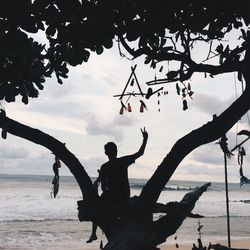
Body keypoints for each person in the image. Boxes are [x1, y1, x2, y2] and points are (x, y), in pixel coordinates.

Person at [86, 127, 148, 243]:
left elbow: (103, 187)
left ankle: (93, 233)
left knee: (96, 205)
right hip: (124, 196)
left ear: (105, 153)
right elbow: (140, 153)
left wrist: (104, 183)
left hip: (113, 196)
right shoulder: (123, 161)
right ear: (116, 151)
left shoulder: (104, 167)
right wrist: (145, 139)